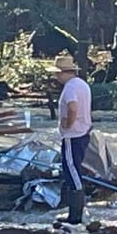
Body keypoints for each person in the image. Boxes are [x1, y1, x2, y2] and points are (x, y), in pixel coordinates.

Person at [49, 54, 92, 224]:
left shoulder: (70, 88)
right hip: (83, 132)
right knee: (74, 169)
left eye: (57, 74)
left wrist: (67, 123)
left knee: (71, 170)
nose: (56, 77)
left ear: (64, 73)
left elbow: (73, 107)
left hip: (72, 135)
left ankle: (75, 216)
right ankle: (74, 212)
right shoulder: (82, 84)